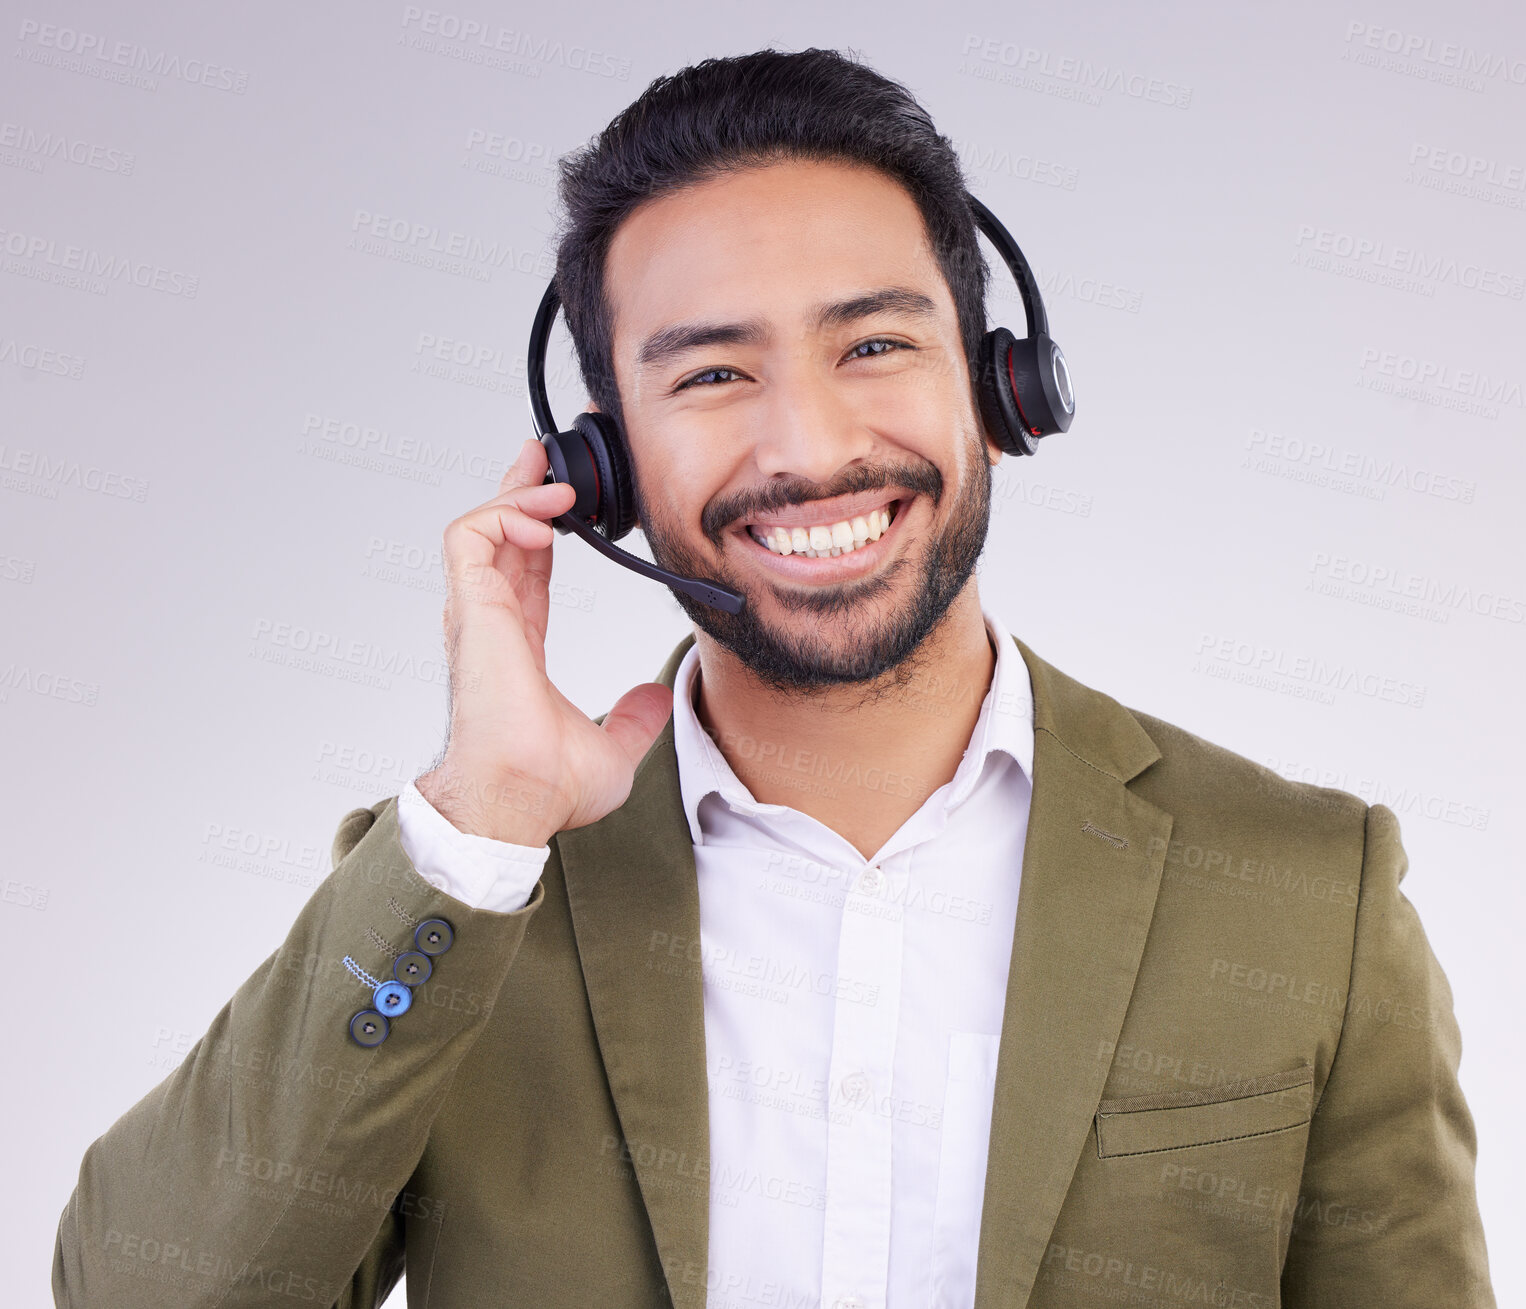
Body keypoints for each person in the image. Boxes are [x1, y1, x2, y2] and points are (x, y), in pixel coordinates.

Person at [53, 47, 1494, 1309]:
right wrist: (476, 819)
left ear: (1002, 393)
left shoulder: (1305, 888)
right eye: (710, 376)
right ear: (597, 469)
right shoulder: (463, 898)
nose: (806, 447)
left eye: (873, 343)